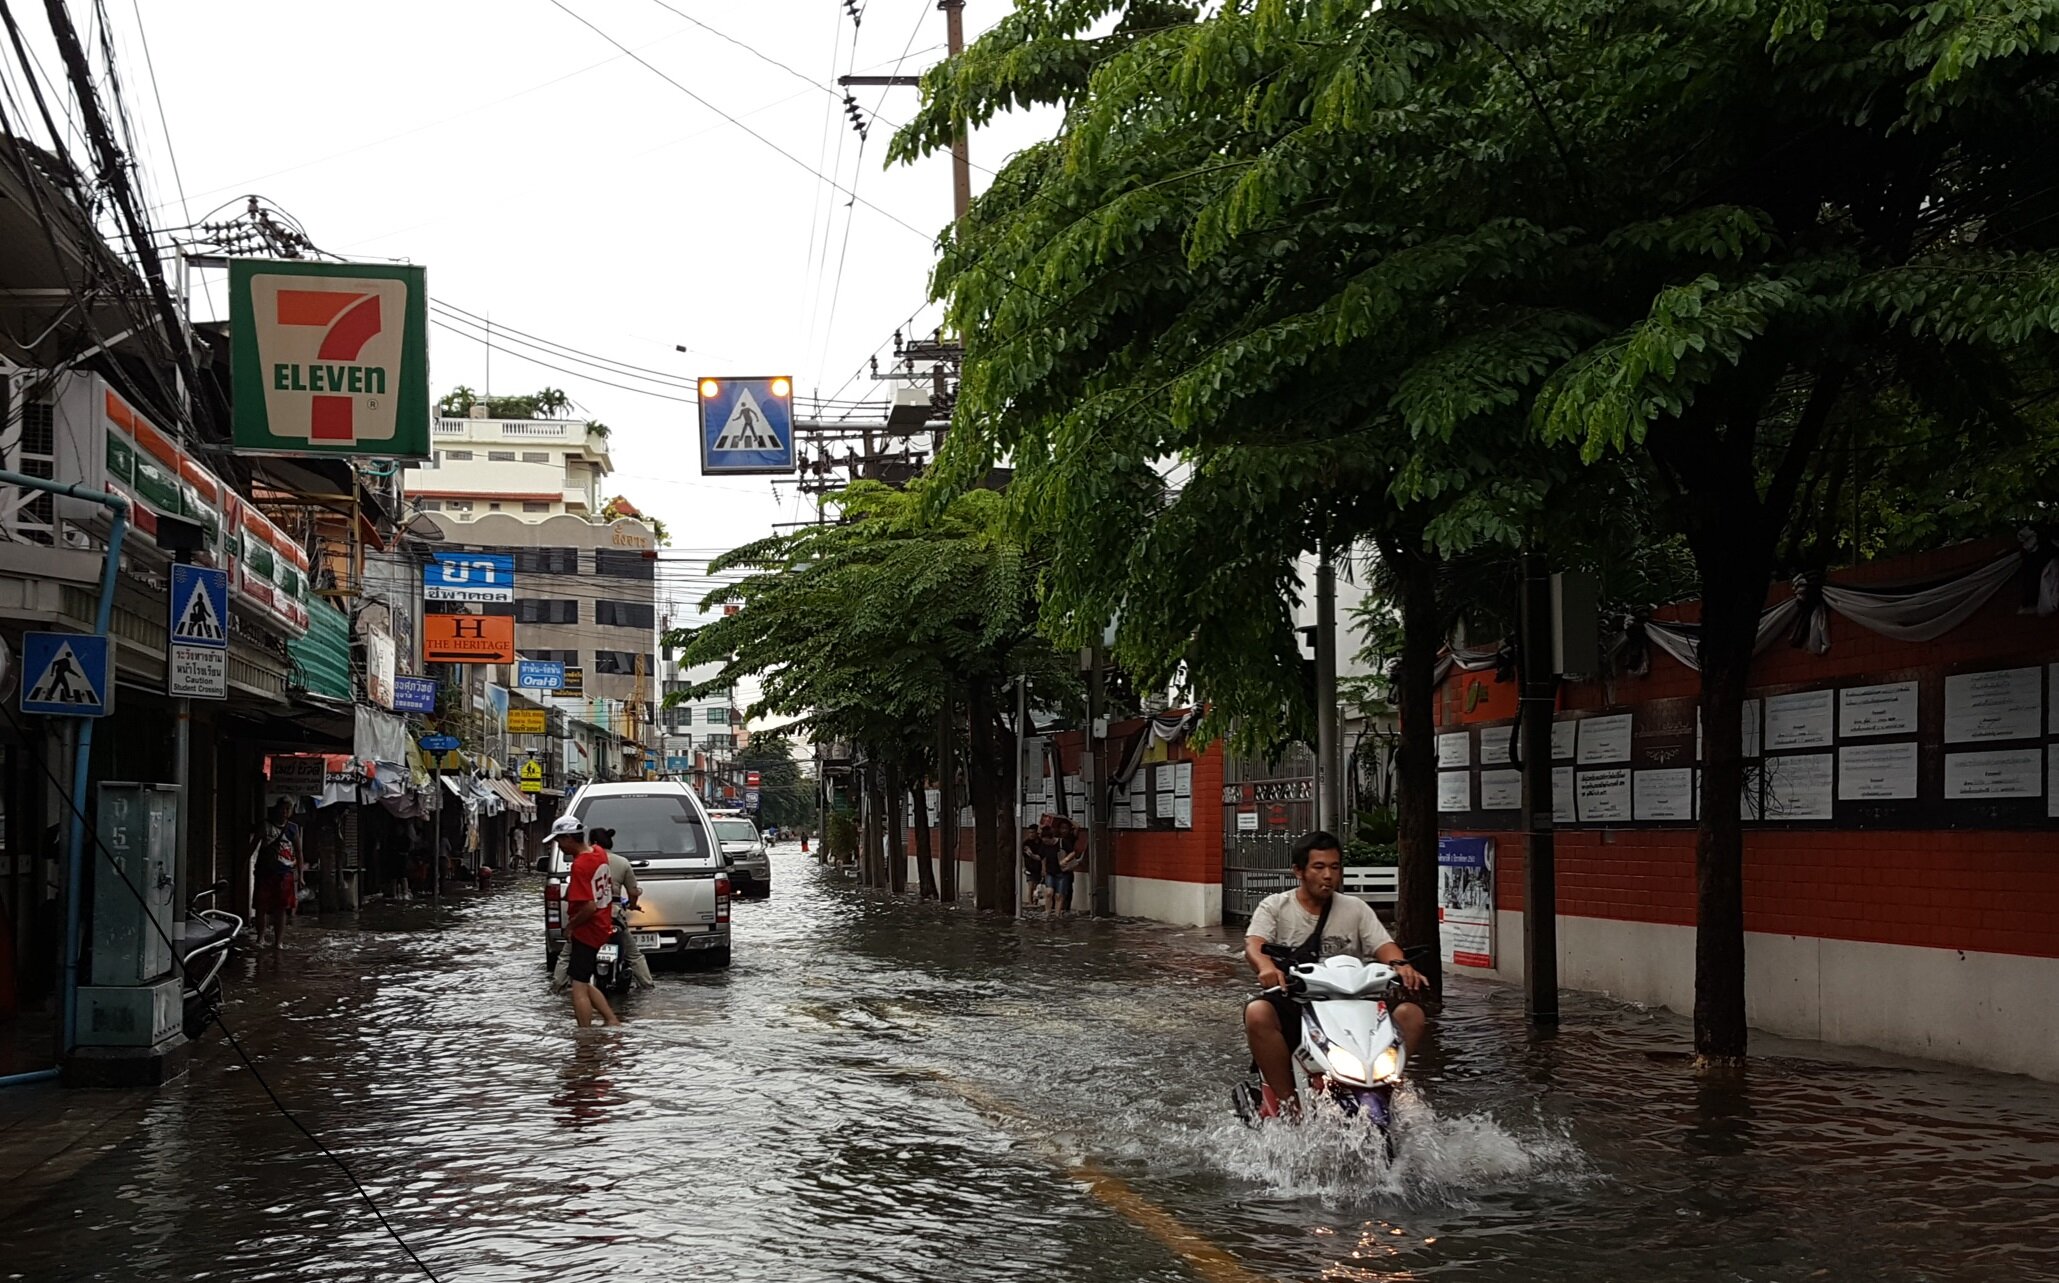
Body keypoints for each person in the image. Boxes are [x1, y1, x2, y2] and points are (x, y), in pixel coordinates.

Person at [1243, 830, 1427, 1118]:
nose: (1328, 875)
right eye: (1319, 867)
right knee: (1257, 1013)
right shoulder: (1275, 907)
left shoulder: (1355, 909)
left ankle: (1389, 1087)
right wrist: (1266, 967)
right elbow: (1254, 945)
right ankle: (1289, 1107)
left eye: (1335, 867)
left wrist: (1400, 965)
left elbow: (1384, 945)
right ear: (1298, 872)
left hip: (1355, 1007)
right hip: (1298, 1003)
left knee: (1411, 1015)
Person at [552, 827, 653, 991]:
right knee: (634, 955)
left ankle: (557, 987)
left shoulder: (588, 861)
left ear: (594, 843)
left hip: (589, 918)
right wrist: (633, 904)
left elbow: (575, 893)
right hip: (613, 914)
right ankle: (648, 986)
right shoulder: (622, 862)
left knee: (566, 956)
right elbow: (633, 891)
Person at [552, 815, 621, 1028]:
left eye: (559, 841)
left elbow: (589, 906)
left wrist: (570, 926)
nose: (559, 846)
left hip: (588, 929)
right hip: (602, 923)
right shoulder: (599, 853)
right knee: (579, 977)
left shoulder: (580, 865)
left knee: (578, 986)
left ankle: (584, 1036)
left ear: (569, 838)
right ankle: (611, 1021)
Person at [252, 799, 299, 955]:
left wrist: (300, 874)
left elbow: (299, 852)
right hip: (265, 872)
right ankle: (260, 938)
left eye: (287, 809)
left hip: (285, 874)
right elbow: (251, 849)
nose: (284, 812)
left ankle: (278, 941)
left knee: (281, 909)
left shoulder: (293, 829)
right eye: (282, 809)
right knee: (261, 906)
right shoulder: (265, 826)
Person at [1048, 817, 1085, 916]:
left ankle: (1066, 907)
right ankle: (1054, 907)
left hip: (1067, 865)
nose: (1063, 830)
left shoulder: (1071, 837)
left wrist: (1067, 819)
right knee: (1054, 888)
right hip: (1056, 864)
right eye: (1062, 828)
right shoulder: (1056, 838)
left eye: (1066, 828)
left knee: (1068, 887)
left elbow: (1077, 827)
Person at [1020, 826, 1046, 910]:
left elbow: (1043, 856)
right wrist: (1024, 867)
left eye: (1033, 832)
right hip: (1030, 866)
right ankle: (1030, 903)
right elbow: (1024, 856)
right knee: (1031, 884)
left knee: (1037, 886)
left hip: (1039, 866)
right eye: (1029, 832)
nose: (1031, 834)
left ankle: (1035, 901)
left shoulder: (1041, 842)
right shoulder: (1026, 843)